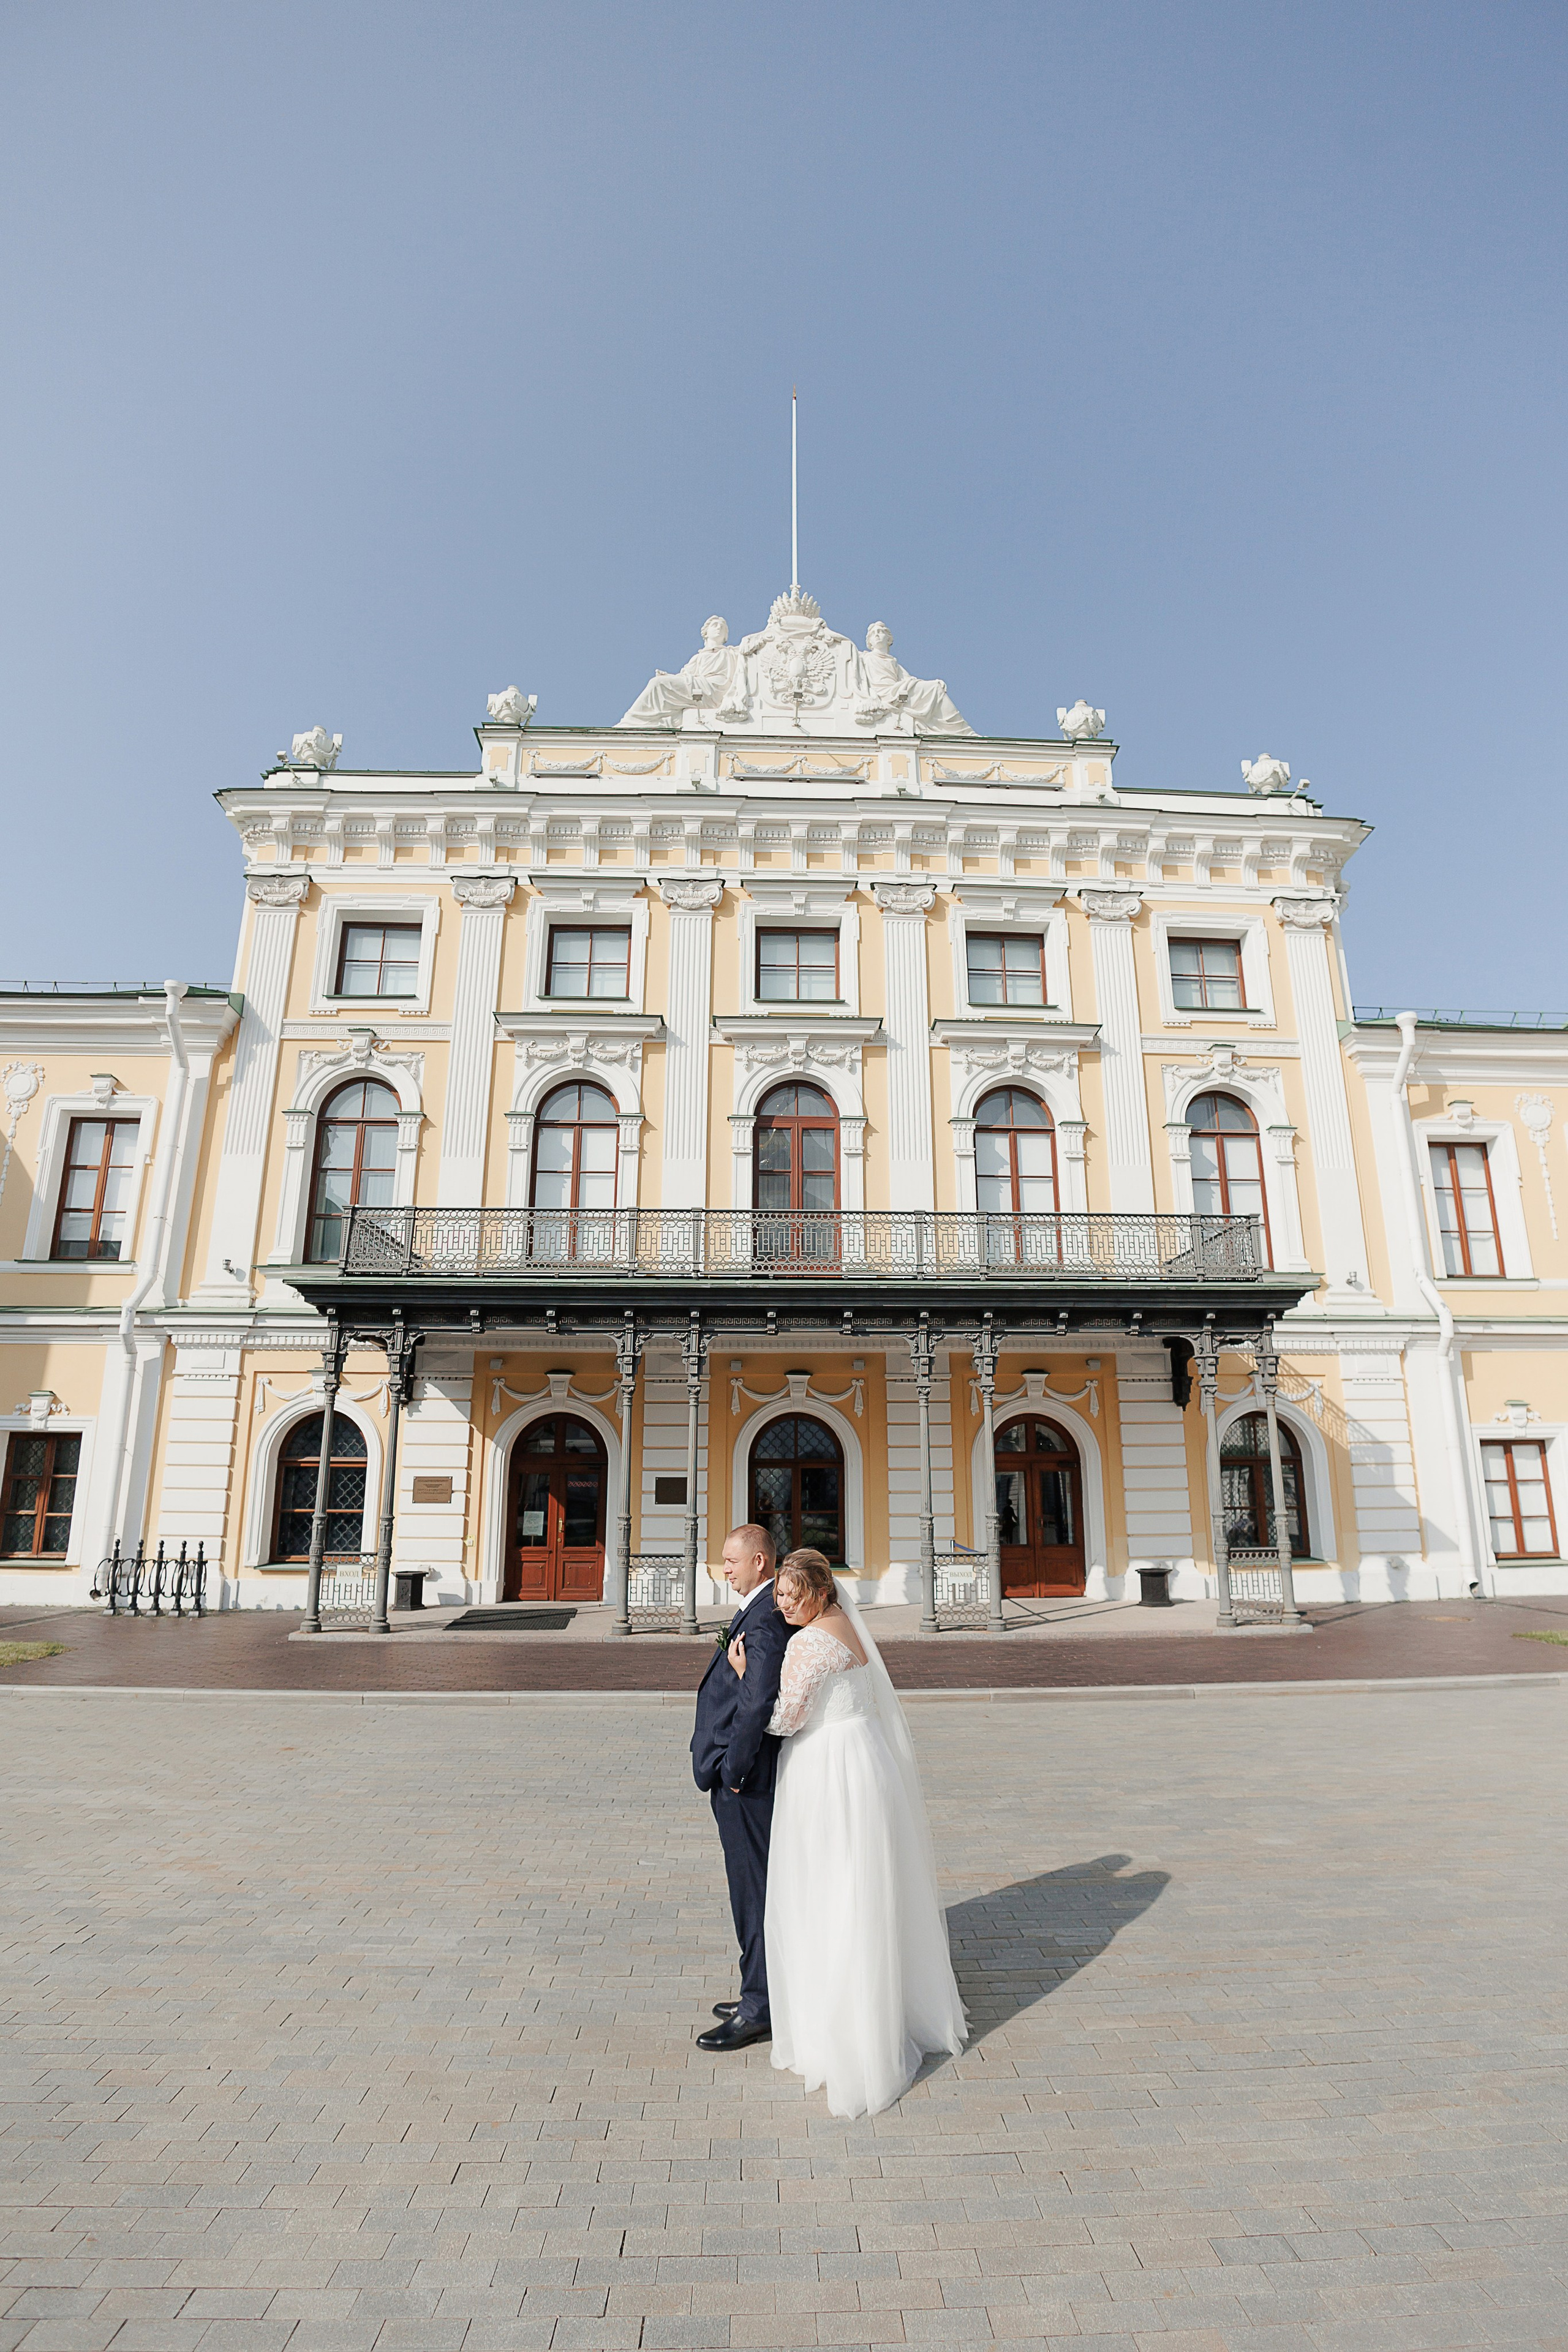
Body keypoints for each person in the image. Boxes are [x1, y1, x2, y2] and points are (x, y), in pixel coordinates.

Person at [728, 1548, 967, 2116]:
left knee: (829, 1893)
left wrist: (744, 1678)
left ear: (819, 1594)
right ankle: (880, 2010)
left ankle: (843, 2032)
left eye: (792, 1596)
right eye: (779, 1595)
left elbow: (785, 1718)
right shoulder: (847, 1628)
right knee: (868, 1887)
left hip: (826, 1770)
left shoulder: (809, 1643)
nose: (783, 1606)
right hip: (867, 1760)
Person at [688, 1523, 796, 2052]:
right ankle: (759, 1989)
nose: (723, 1568)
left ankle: (760, 2007)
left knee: (752, 1893)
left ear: (759, 1562)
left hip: (746, 1783)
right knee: (749, 1889)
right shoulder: (754, 1609)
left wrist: (733, 1769)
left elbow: (758, 1702)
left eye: (731, 1560)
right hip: (739, 1776)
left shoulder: (766, 1620)